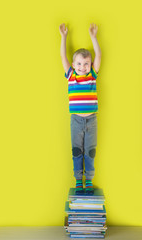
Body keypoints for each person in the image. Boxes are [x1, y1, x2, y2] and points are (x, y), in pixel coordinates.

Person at [59, 23, 101, 194]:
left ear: (90, 65)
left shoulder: (92, 75)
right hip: (76, 120)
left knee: (90, 152)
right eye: (79, 63)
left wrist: (93, 37)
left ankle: (89, 179)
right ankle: (78, 179)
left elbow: (98, 55)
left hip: (92, 120)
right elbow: (63, 57)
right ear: (74, 65)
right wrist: (63, 37)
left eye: (86, 63)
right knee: (77, 151)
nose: (82, 66)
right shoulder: (71, 76)